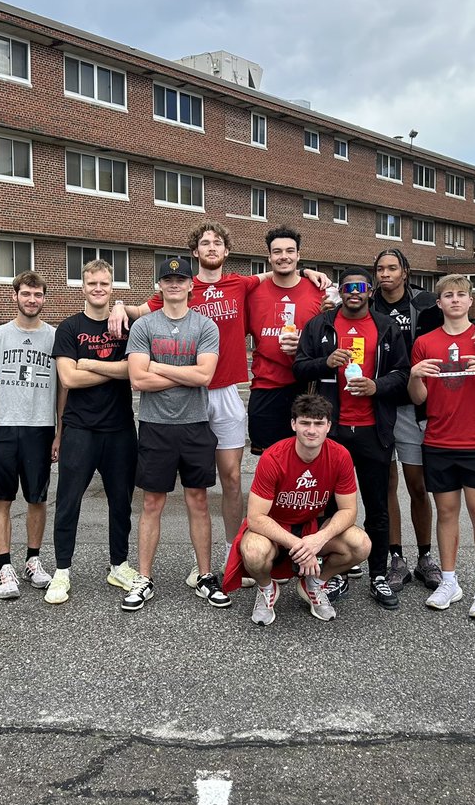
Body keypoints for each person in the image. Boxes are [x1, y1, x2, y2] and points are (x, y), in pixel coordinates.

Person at [110, 222, 329, 586]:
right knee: (193, 488)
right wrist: (119, 305)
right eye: (204, 243)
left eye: (217, 243)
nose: (211, 247)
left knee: (231, 477)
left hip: (225, 391)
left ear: (227, 251)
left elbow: (279, 269)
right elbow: (140, 310)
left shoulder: (241, 284)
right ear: (194, 251)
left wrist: (309, 272)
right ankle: (194, 564)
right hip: (185, 394)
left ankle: (232, 553)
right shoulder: (181, 285)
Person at [372, 248, 475, 592]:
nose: (386, 274)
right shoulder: (368, 303)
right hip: (379, 403)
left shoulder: (425, 301)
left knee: (417, 485)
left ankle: (425, 556)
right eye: (380, 269)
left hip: (415, 407)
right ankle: (395, 557)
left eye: (392, 268)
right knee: (386, 486)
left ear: (405, 271)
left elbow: (460, 311)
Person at [294, 265, 410, 609]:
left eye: (361, 287)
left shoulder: (386, 326)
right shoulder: (321, 325)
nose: (354, 293)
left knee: (377, 505)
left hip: (374, 429)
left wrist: (377, 386)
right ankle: (337, 572)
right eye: (348, 287)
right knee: (330, 506)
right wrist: (325, 362)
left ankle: (378, 575)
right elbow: (299, 367)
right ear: (340, 291)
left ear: (370, 291)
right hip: (335, 430)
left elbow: (402, 374)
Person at [122, 256, 228, 611]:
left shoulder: (205, 326)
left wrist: (158, 366)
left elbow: (205, 376)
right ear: (160, 285)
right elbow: (138, 380)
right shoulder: (144, 326)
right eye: (168, 280)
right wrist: (185, 373)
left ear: (190, 285)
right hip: (156, 426)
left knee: (198, 501)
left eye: (180, 279)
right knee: (152, 503)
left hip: (195, 425)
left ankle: (205, 576)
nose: (174, 284)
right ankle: (144, 578)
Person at [408, 274, 475, 619]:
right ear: (439, 303)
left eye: (461, 295)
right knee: (447, 513)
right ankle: (449, 581)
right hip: (438, 440)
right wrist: (414, 375)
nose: (455, 299)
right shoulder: (425, 342)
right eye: (448, 295)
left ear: (470, 301)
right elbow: (418, 398)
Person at [221, 395, 370, 624]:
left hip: (311, 526)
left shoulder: (340, 455)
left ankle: (314, 584)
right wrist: (301, 546)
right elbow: (256, 518)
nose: (311, 430)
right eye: (305, 422)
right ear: (293, 424)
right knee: (253, 551)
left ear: (328, 426)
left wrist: (319, 539)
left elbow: (349, 510)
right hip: (274, 528)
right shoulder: (273, 457)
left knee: (361, 544)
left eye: (318, 423)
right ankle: (267, 588)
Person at [51, 259, 139, 604]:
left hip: (120, 429)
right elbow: (68, 378)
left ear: (112, 287)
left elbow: (135, 371)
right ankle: (62, 571)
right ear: (83, 287)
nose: (98, 289)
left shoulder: (128, 326)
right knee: (67, 502)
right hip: (80, 428)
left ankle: (119, 565)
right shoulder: (69, 328)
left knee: (121, 503)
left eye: (104, 283)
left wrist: (88, 363)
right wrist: (115, 368)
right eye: (92, 283)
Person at [0, 272, 59, 602]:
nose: (31, 300)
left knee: (37, 497)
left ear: (44, 298)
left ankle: (33, 561)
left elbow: (63, 390)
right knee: (2, 498)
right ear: (15, 296)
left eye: (37, 294)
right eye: (26, 294)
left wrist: (59, 433)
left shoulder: (54, 337)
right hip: (3, 427)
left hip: (40, 427)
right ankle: (5, 566)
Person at [245, 225, 326, 456]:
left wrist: (304, 346)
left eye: (290, 251)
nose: (284, 256)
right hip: (266, 386)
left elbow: (331, 341)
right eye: (277, 251)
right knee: (269, 459)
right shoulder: (253, 293)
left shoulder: (318, 291)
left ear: (298, 255)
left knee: (305, 457)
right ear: (269, 257)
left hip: (306, 387)